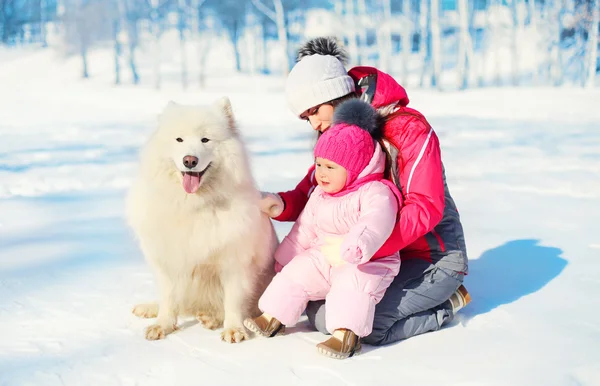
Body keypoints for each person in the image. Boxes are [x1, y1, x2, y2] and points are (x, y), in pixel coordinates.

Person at [258, 36, 471, 346]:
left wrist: (361, 248)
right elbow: (312, 191)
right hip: (365, 260)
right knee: (322, 314)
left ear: (334, 94)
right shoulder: (341, 137)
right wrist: (277, 203)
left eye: (314, 111)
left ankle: (449, 301)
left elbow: (424, 207)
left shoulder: (410, 129)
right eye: (306, 118)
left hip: (430, 257)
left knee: (365, 327)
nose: (314, 124)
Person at [244, 99, 403, 359]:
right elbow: (305, 228)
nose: (321, 174)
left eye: (330, 168)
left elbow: (375, 223)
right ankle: (272, 316)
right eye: (318, 165)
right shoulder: (321, 193)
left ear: (355, 169)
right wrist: (286, 256)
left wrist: (356, 245)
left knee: (351, 286)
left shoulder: (376, 192)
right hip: (324, 256)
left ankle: (345, 336)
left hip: (365, 260)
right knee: (296, 273)